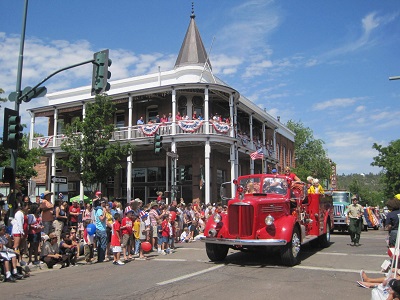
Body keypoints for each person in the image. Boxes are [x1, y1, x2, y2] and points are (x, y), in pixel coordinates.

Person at [94, 198, 107, 263]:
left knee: (99, 244)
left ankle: (100, 258)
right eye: (103, 203)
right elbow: (101, 219)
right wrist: (104, 213)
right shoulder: (99, 210)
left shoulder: (96, 210)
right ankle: (102, 257)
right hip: (101, 228)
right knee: (103, 244)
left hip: (99, 228)